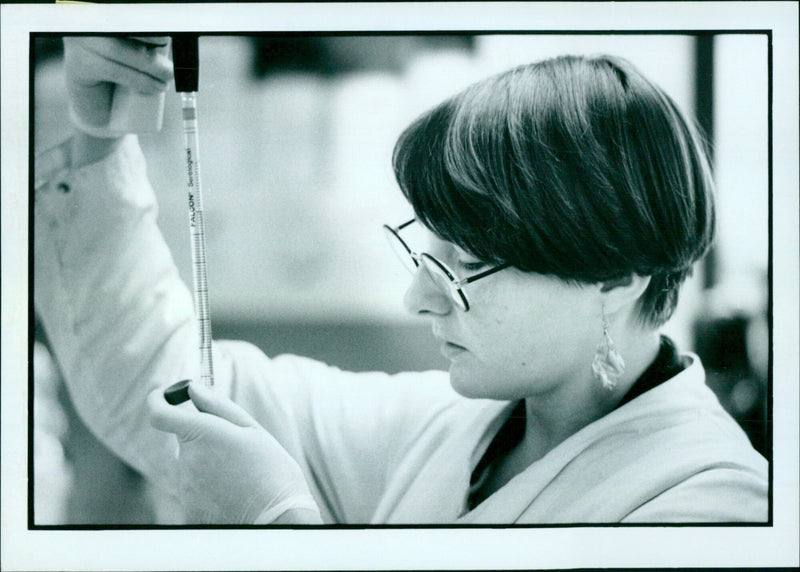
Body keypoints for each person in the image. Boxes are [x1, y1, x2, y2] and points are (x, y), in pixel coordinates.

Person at [34, 36, 768, 525]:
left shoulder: (712, 503)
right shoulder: (438, 426)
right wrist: (102, 133)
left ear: (617, 277)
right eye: (427, 248)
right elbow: (164, 381)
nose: (417, 297)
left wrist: (279, 520)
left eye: (468, 259)